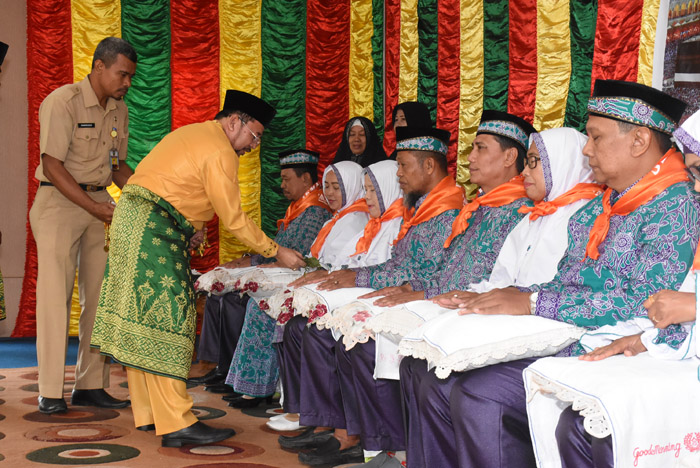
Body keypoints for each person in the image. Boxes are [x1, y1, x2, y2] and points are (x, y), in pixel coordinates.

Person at [399, 80, 697, 468]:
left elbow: (637, 302)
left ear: (639, 140)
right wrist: (511, 294)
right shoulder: (599, 208)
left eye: (594, 137)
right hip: (573, 330)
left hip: (618, 341)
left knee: (477, 392)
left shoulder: (675, 205)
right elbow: (567, 281)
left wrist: (532, 301)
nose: (586, 148)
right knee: (434, 374)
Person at [90, 89, 306, 447]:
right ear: (234, 121)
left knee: (144, 318)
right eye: (254, 135)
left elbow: (181, 187)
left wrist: (190, 225)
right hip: (151, 228)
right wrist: (276, 249)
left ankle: (152, 413)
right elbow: (234, 219)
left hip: (136, 220)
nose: (254, 145)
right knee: (169, 316)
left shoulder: (195, 133)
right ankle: (176, 421)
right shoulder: (220, 149)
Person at [278, 127, 464, 466]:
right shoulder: (422, 210)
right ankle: (346, 430)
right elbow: (399, 266)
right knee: (323, 329)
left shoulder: (448, 211)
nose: (399, 175)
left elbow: (423, 273)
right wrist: (359, 277)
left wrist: (363, 278)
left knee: (358, 343)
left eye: (404, 167)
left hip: (435, 301)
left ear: (429, 168)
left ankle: (379, 442)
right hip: (413, 294)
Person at [547, 109, 700, 468]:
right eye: (693, 172)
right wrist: (643, 340)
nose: (695, 187)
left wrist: (692, 307)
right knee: (578, 422)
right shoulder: (596, 209)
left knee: (594, 421)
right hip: (674, 348)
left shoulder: (675, 205)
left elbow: (653, 300)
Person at [29, 37, 137, 415]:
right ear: (99, 67)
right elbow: (53, 165)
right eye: (122, 74)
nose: (127, 82)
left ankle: (90, 385)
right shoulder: (63, 102)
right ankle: (49, 391)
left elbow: (117, 166)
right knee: (55, 299)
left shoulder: (119, 110)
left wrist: (147, 194)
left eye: (130, 76)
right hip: (59, 205)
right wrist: (93, 205)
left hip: (99, 208)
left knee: (98, 298)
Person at [222, 161, 369, 409]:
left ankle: (269, 391)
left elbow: (337, 265)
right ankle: (255, 386)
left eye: (337, 187)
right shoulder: (337, 218)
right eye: (328, 187)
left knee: (265, 306)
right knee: (252, 299)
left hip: (334, 290)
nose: (330, 193)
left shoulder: (353, 219)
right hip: (316, 281)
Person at [190, 150, 331, 392]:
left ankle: (239, 375)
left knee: (235, 299)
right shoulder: (297, 209)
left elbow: (294, 253)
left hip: (295, 275)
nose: (282, 184)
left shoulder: (314, 211)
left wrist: (249, 261)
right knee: (216, 296)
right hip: (277, 269)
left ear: (306, 179)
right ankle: (224, 368)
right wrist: (247, 260)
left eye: (287, 179)